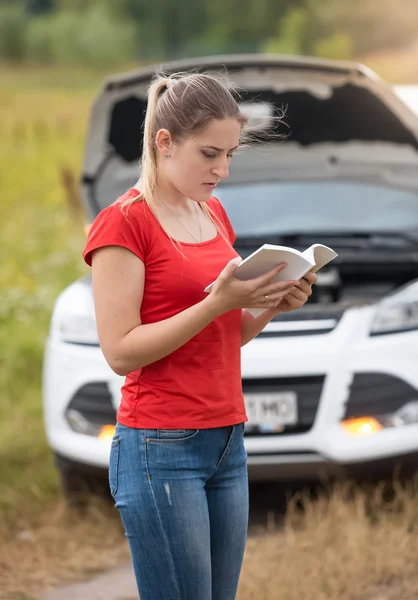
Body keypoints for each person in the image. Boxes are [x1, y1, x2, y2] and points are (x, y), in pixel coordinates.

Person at [82, 69, 317, 600]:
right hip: (161, 446)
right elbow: (120, 352)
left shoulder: (212, 214)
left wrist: (272, 305)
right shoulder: (123, 224)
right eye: (211, 154)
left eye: (230, 154)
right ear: (165, 143)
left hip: (227, 440)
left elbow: (222, 335)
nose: (223, 169)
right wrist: (216, 302)